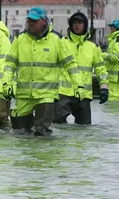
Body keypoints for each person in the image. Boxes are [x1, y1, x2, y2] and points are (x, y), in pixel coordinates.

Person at [5, 7, 82, 136]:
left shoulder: (56, 40)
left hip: (46, 95)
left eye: (34, 21)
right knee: (19, 132)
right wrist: (6, 83)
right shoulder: (20, 39)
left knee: (42, 132)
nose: (31, 23)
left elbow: (70, 64)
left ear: (43, 21)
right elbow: (9, 64)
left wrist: (78, 85)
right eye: (29, 20)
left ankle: (44, 154)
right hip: (24, 94)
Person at [54, 12, 109, 125]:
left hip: (84, 94)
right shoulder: (61, 43)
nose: (77, 25)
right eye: (74, 23)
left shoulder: (92, 47)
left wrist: (104, 87)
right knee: (57, 126)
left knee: (84, 129)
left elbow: (101, 69)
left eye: (80, 22)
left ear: (85, 25)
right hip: (63, 93)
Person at [102, 20, 119, 100]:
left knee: (114, 98)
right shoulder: (116, 39)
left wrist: (102, 55)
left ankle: (116, 112)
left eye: (112, 27)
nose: (110, 28)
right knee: (114, 98)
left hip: (117, 77)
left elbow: (116, 58)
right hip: (115, 76)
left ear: (115, 28)